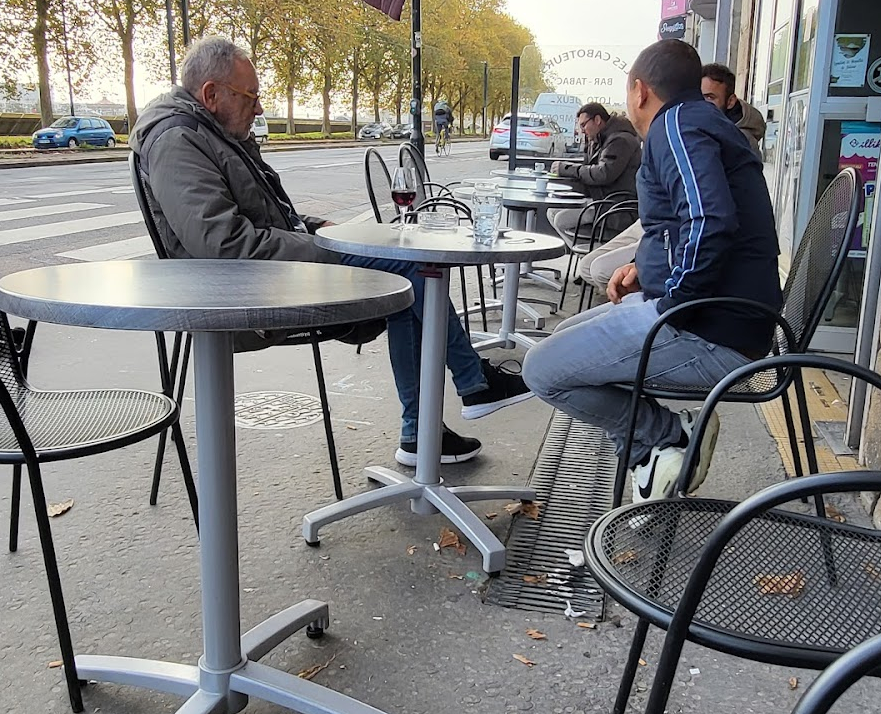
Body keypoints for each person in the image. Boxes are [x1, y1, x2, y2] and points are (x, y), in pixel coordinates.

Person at [131, 37, 532, 467]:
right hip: (239, 294)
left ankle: (424, 431)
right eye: (252, 97)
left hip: (267, 273)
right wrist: (325, 246)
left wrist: (313, 226)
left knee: (409, 272)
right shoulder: (177, 141)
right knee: (413, 267)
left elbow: (258, 222)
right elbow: (225, 245)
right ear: (211, 94)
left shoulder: (206, 133)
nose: (260, 109)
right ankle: (471, 386)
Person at [524, 39, 782, 503]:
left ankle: (665, 438)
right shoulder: (699, 123)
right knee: (562, 341)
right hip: (730, 316)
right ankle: (650, 453)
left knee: (542, 370)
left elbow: (709, 219)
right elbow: (688, 224)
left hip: (713, 330)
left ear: (640, 91)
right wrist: (643, 269)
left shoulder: (677, 126)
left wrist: (674, 303)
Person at [547, 102, 640, 242]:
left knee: (560, 219)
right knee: (552, 212)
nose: (582, 130)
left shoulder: (620, 140)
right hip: (601, 202)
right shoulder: (599, 140)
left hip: (615, 209)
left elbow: (603, 173)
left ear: (597, 120)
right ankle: (587, 253)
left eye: (584, 125)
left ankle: (589, 254)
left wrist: (567, 169)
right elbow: (588, 170)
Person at [700, 63, 766, 157]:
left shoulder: (741, 141)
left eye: (710, 98)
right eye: (699, 96)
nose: (702, 103)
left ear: (730, 101)